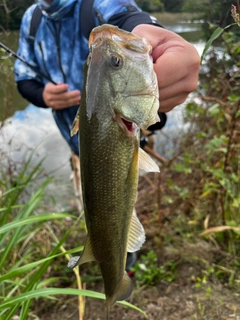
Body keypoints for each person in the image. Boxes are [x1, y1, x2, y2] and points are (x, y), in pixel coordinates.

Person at [14, 0, 200, 269]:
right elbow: (23, 79)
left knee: (121, 206)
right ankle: (103, 255)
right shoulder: (31, 18)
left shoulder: (98, 4)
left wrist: (153, 37)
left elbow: (129, 18)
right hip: (78, 147)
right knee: (92, 209)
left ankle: (123, 263)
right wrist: (42, 95)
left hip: (124, 134)